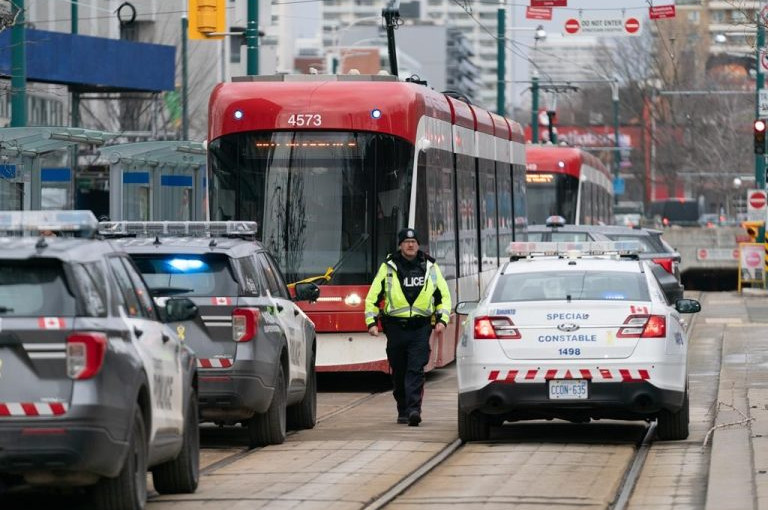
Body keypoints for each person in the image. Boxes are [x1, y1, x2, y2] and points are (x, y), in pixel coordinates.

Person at [364, 228, 451, 427]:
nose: (410, 245)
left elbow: (443, 297)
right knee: (399, 370)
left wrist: (442, 320)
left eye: (413, 241)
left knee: (415, 369)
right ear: (400, 245)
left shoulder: (430, 267)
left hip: (421, 328)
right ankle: (402, 408)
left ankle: (414, 410)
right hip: (395, 328)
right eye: (406, 241)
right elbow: (372, 298)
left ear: (418, 245)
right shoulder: (388, 268)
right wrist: (371, 323)